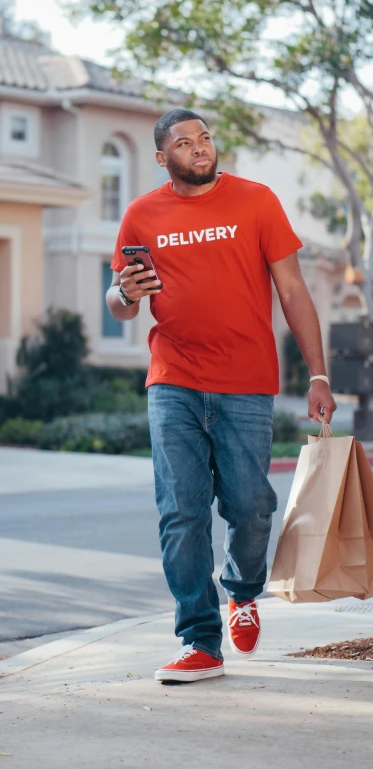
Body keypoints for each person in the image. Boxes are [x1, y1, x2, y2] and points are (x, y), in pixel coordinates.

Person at [107, 108, 336, 683]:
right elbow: (121, 303)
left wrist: (319, 375)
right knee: (180, 514)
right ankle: (199, 640)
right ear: (163, 158)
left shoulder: (256, 201)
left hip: (246, 382)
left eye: (205, 137)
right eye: (184, 143)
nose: (200, 148)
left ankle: (242, 592)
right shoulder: (141, 215)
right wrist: (121, 293)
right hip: (173, 378)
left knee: (250, 506)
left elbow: (293, 290)